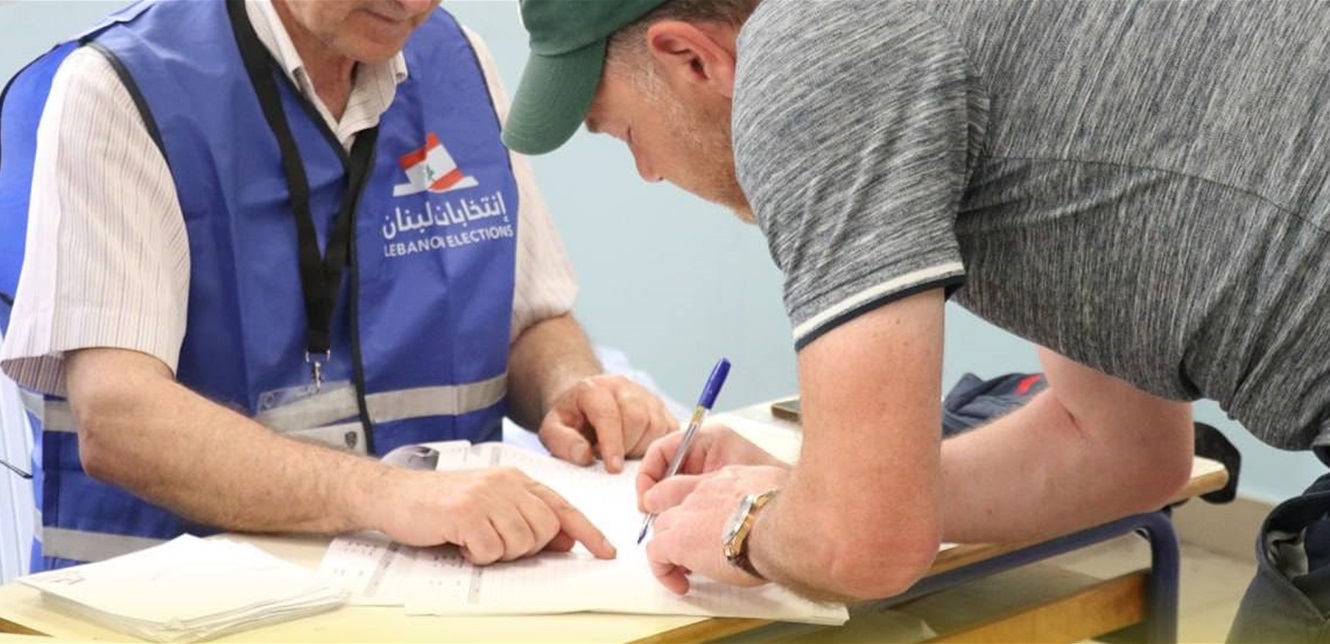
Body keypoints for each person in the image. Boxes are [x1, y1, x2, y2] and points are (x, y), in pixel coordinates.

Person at [501, 0, 1330, 640]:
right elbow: (1118, 451)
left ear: (691, 56)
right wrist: (804, 493)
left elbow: (861, 546)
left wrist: (751, 530)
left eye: (623, 133)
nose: (646, 171)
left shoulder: (808, 55)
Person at [0, 0, 679, 573]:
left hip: (430, 595)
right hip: (174, 606)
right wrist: (391, 496)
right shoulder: (120, 87)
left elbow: (530, 319)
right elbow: (120, 418)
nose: (411, 4)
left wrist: (571, 387)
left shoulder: (459, 61)